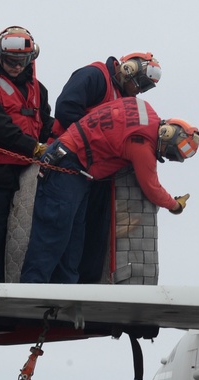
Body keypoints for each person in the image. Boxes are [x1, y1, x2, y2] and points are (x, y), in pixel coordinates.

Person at [19, 98, 199, 284]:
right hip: (68, 166)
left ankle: (64, 298)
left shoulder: (143, 107)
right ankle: (30, 293)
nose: (162, 154)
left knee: (73, 242)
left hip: (75, 167)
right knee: (52, 236)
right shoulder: (142, 146)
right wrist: (174, 205)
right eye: (168, 152)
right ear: (166, 133)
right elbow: (151, 187)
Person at [50, 53, 163, 283]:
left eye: (145, 88)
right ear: (128, 69)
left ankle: (88, 288)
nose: (139, 91)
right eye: (139, 83)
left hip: (97, 173)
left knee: (94, 235)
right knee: (64, 231)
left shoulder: (123, 97)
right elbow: (65, 108)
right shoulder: (94, 76)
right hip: (70, 162)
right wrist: (99, 137)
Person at [0, 26, 53, 282]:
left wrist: (59, 142)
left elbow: (45, 123)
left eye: (22, 61)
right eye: (10, 61)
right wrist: (33, 147)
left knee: (29, 234)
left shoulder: (39, 88)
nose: (16, 66)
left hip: (29, 169)